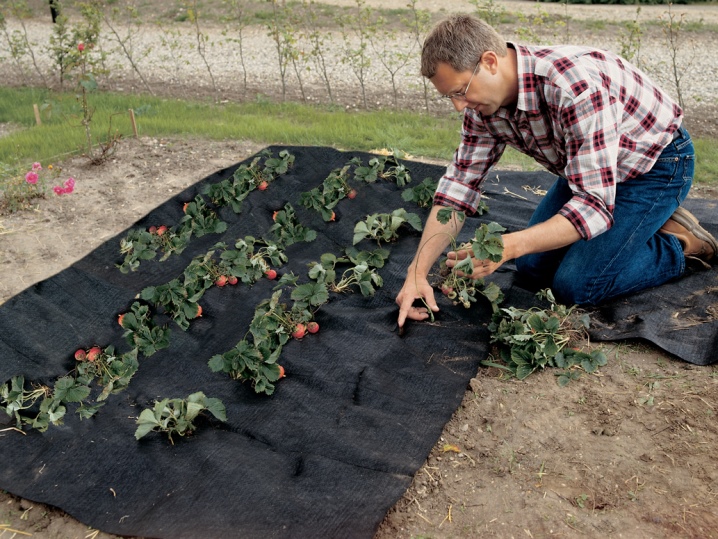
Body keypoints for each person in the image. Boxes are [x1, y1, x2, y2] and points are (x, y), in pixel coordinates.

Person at [396, 14, 717, 329]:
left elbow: (593, 207)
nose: (458, 106)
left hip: (656, 164)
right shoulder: (482, 107)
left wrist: (507, 246)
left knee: (577, 286)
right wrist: (416, 274)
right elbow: (458, 188)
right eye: (449, 95)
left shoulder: (572, 87)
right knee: (532, 268)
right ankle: (637, 227)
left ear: (490, 61)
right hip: (590, 170)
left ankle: (680, 246)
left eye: (460, 90)